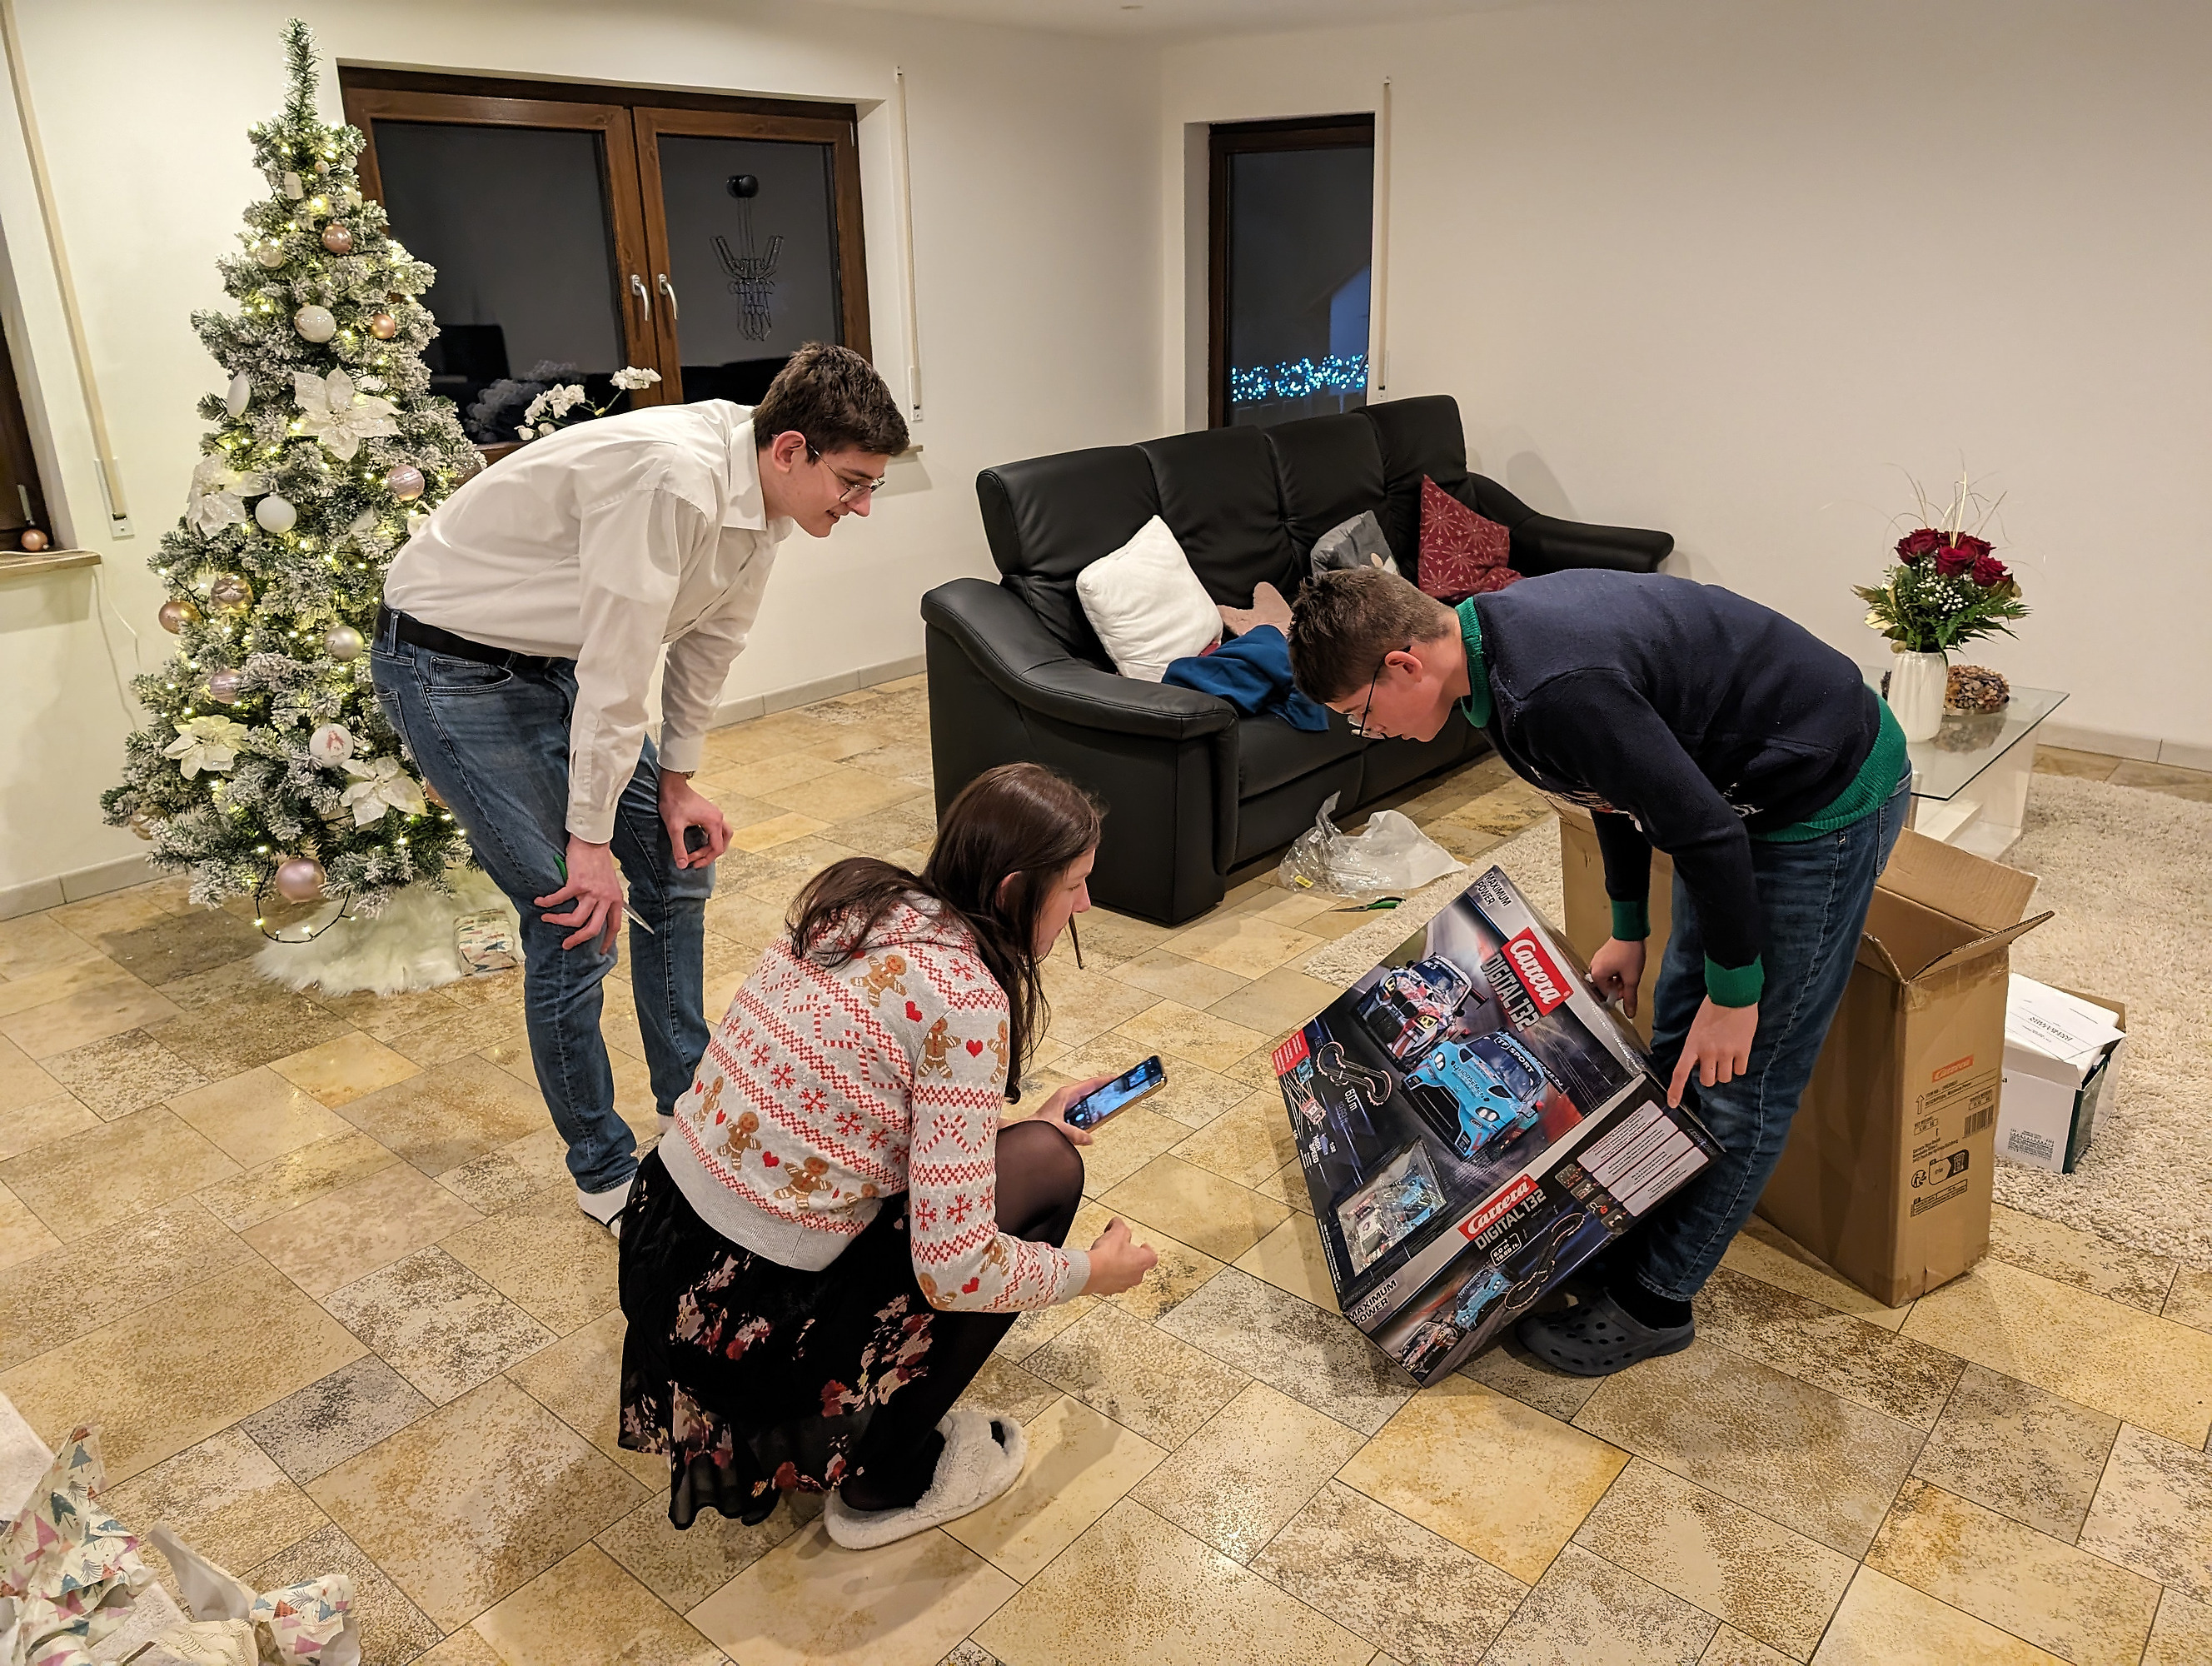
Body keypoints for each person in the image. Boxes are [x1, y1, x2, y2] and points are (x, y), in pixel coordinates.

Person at [1287, 566, 1911, 1375]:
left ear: (1403, 664)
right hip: (1728, 802)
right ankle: (1641, 1230)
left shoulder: (1551, 686)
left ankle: (1657, 1302)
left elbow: (1707, 833)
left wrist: (1736, 994)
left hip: (1820, 798)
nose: (1368, 732)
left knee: (1744, 1078)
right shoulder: (1492, 673)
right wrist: (1628, 926)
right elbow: (1610, 788)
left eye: (1360, 715)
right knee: (1677, 1046)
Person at [372, 344, 908, 1235]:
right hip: (448, 666)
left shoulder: (764, 497)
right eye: (852, 483)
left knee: (675, 862)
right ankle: (604, 1171)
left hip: (554, 659)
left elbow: (709, 642)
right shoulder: (672, 481)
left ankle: (687, 1104)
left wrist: (679, 785)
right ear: (790, 449)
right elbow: (619, 669)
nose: (859, 506)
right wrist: (587, 842)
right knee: (574, 920)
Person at [616, 762, 1160, 1547]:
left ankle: (871, 1433)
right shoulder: (966, 997)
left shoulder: (859, 907)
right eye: (1074, 885)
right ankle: (887, 1476)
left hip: (666, 1243)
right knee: (1050, 1171)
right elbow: (956, 1268)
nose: (1086, 905)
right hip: (746, 1314)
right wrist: (1091, 1274)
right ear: (1014, 890)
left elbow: (856, 1112)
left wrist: (1014, 1122)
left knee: (1034, 1144)